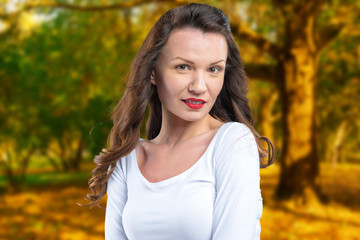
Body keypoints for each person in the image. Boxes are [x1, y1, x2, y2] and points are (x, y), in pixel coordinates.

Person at [85, 3, 274, 239]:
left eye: (214, 69)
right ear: (153, 72)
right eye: (183, 67)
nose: (199, 86)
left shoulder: (233, 143)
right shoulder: (127, 158)